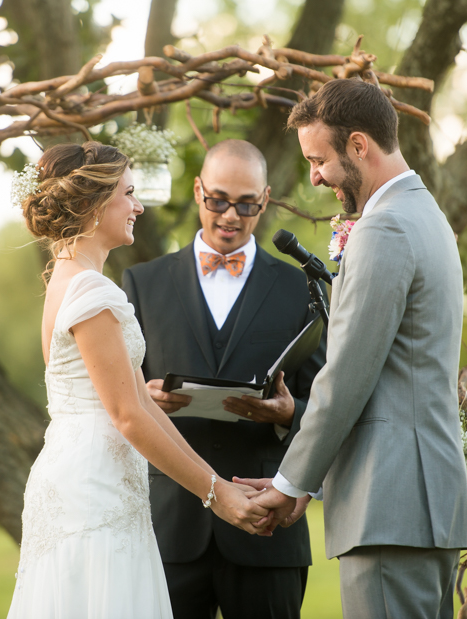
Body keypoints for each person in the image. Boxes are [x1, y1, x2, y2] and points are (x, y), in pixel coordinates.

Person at [240, 78, 467, 619]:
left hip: (389, 504)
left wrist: (291, 479)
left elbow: (346, 375)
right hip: (423, 503)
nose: (315, 175)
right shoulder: (426, 215)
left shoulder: (385, 228)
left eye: (319, 159)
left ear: (359, 146)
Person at [5, 141, 268, 619]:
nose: (139, 206)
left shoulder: (68, 278)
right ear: (93, 204)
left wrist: (217, 483)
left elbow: (141, 408)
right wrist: (215, 494)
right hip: (94, 490)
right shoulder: (89, 289)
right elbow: (128, 415)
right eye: (128, 193)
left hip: (91, 475)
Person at [122, 139, 326, 619]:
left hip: (267, 523)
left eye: (246, 204)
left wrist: (289, 412)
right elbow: (117, 399)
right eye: (218, 200)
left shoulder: (301, 287)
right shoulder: (141, 283)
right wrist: (146, 397)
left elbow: (329, 399)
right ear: (197, 190)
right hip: (168, 526)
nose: (230, 215)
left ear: (266, 199)